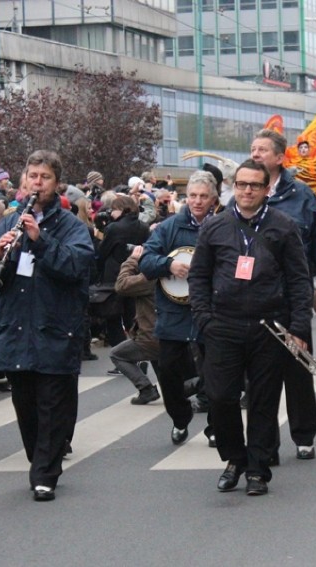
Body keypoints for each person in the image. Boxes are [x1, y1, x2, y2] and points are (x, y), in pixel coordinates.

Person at [188, 160, 313, 496]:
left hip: (268, 327)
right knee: (220, 396)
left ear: (265, 189)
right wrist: (204, 317)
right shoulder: (215, 227)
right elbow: (198, 275)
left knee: (263, 401)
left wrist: (298, 326)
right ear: (233, 186)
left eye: (254, 185)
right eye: (242, 184)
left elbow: (300, 280)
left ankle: (257, 469)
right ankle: (234, 458)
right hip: (223, 326)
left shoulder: (283, 227)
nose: (247, 191)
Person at [0, 150, 94, 502]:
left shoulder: (72, 226)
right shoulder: (6, 221)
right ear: (23, 181)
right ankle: (40, 459)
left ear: (56, 184)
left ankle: (45, 472)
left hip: (56, 328)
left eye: (44, 177)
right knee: (26, 406)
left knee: (54, 406)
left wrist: (41, 241)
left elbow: (76, 267)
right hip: (16, 328)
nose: (37, 183)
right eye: (32, 176)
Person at [250, 129, 316, 461]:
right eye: (252, 149)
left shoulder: (301, 195)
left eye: (262, 149)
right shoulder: (242, 195)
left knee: (298, 367)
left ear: (278, 156)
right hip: (253, 298)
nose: (256, 154)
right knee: (260, 376)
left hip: (293, 295)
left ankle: (304, 435)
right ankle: (265, 443)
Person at [140, 170, 219, 445]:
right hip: (173, 310)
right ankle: (180, 416)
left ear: (213, 199)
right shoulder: (169, 227)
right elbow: (146, 262)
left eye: (203, 196)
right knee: (169, 372)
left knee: (215, 372)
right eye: (193, 196)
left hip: (210, 309)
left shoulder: (223, 225)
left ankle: (215, 427)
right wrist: (169, 265)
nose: (197, 201)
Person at [97, 194, 150, 349]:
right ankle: (136, 353)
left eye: (113, 210)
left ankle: (121, 354)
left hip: (114, 276)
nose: (111, 213)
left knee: (113, 318)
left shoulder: (114, 228)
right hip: (134, 273)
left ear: (121, 209)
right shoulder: (143, 226)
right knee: (131, 317)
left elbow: (102, 252)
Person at [109, 246, 161, 405]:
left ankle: (146, 389)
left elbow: (122, 285)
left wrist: (132, 260)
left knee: (117, 354)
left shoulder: (151, 278)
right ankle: (178, 389)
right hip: (169, 331)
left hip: (151, 335)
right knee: (157, 357)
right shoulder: (176, 272)